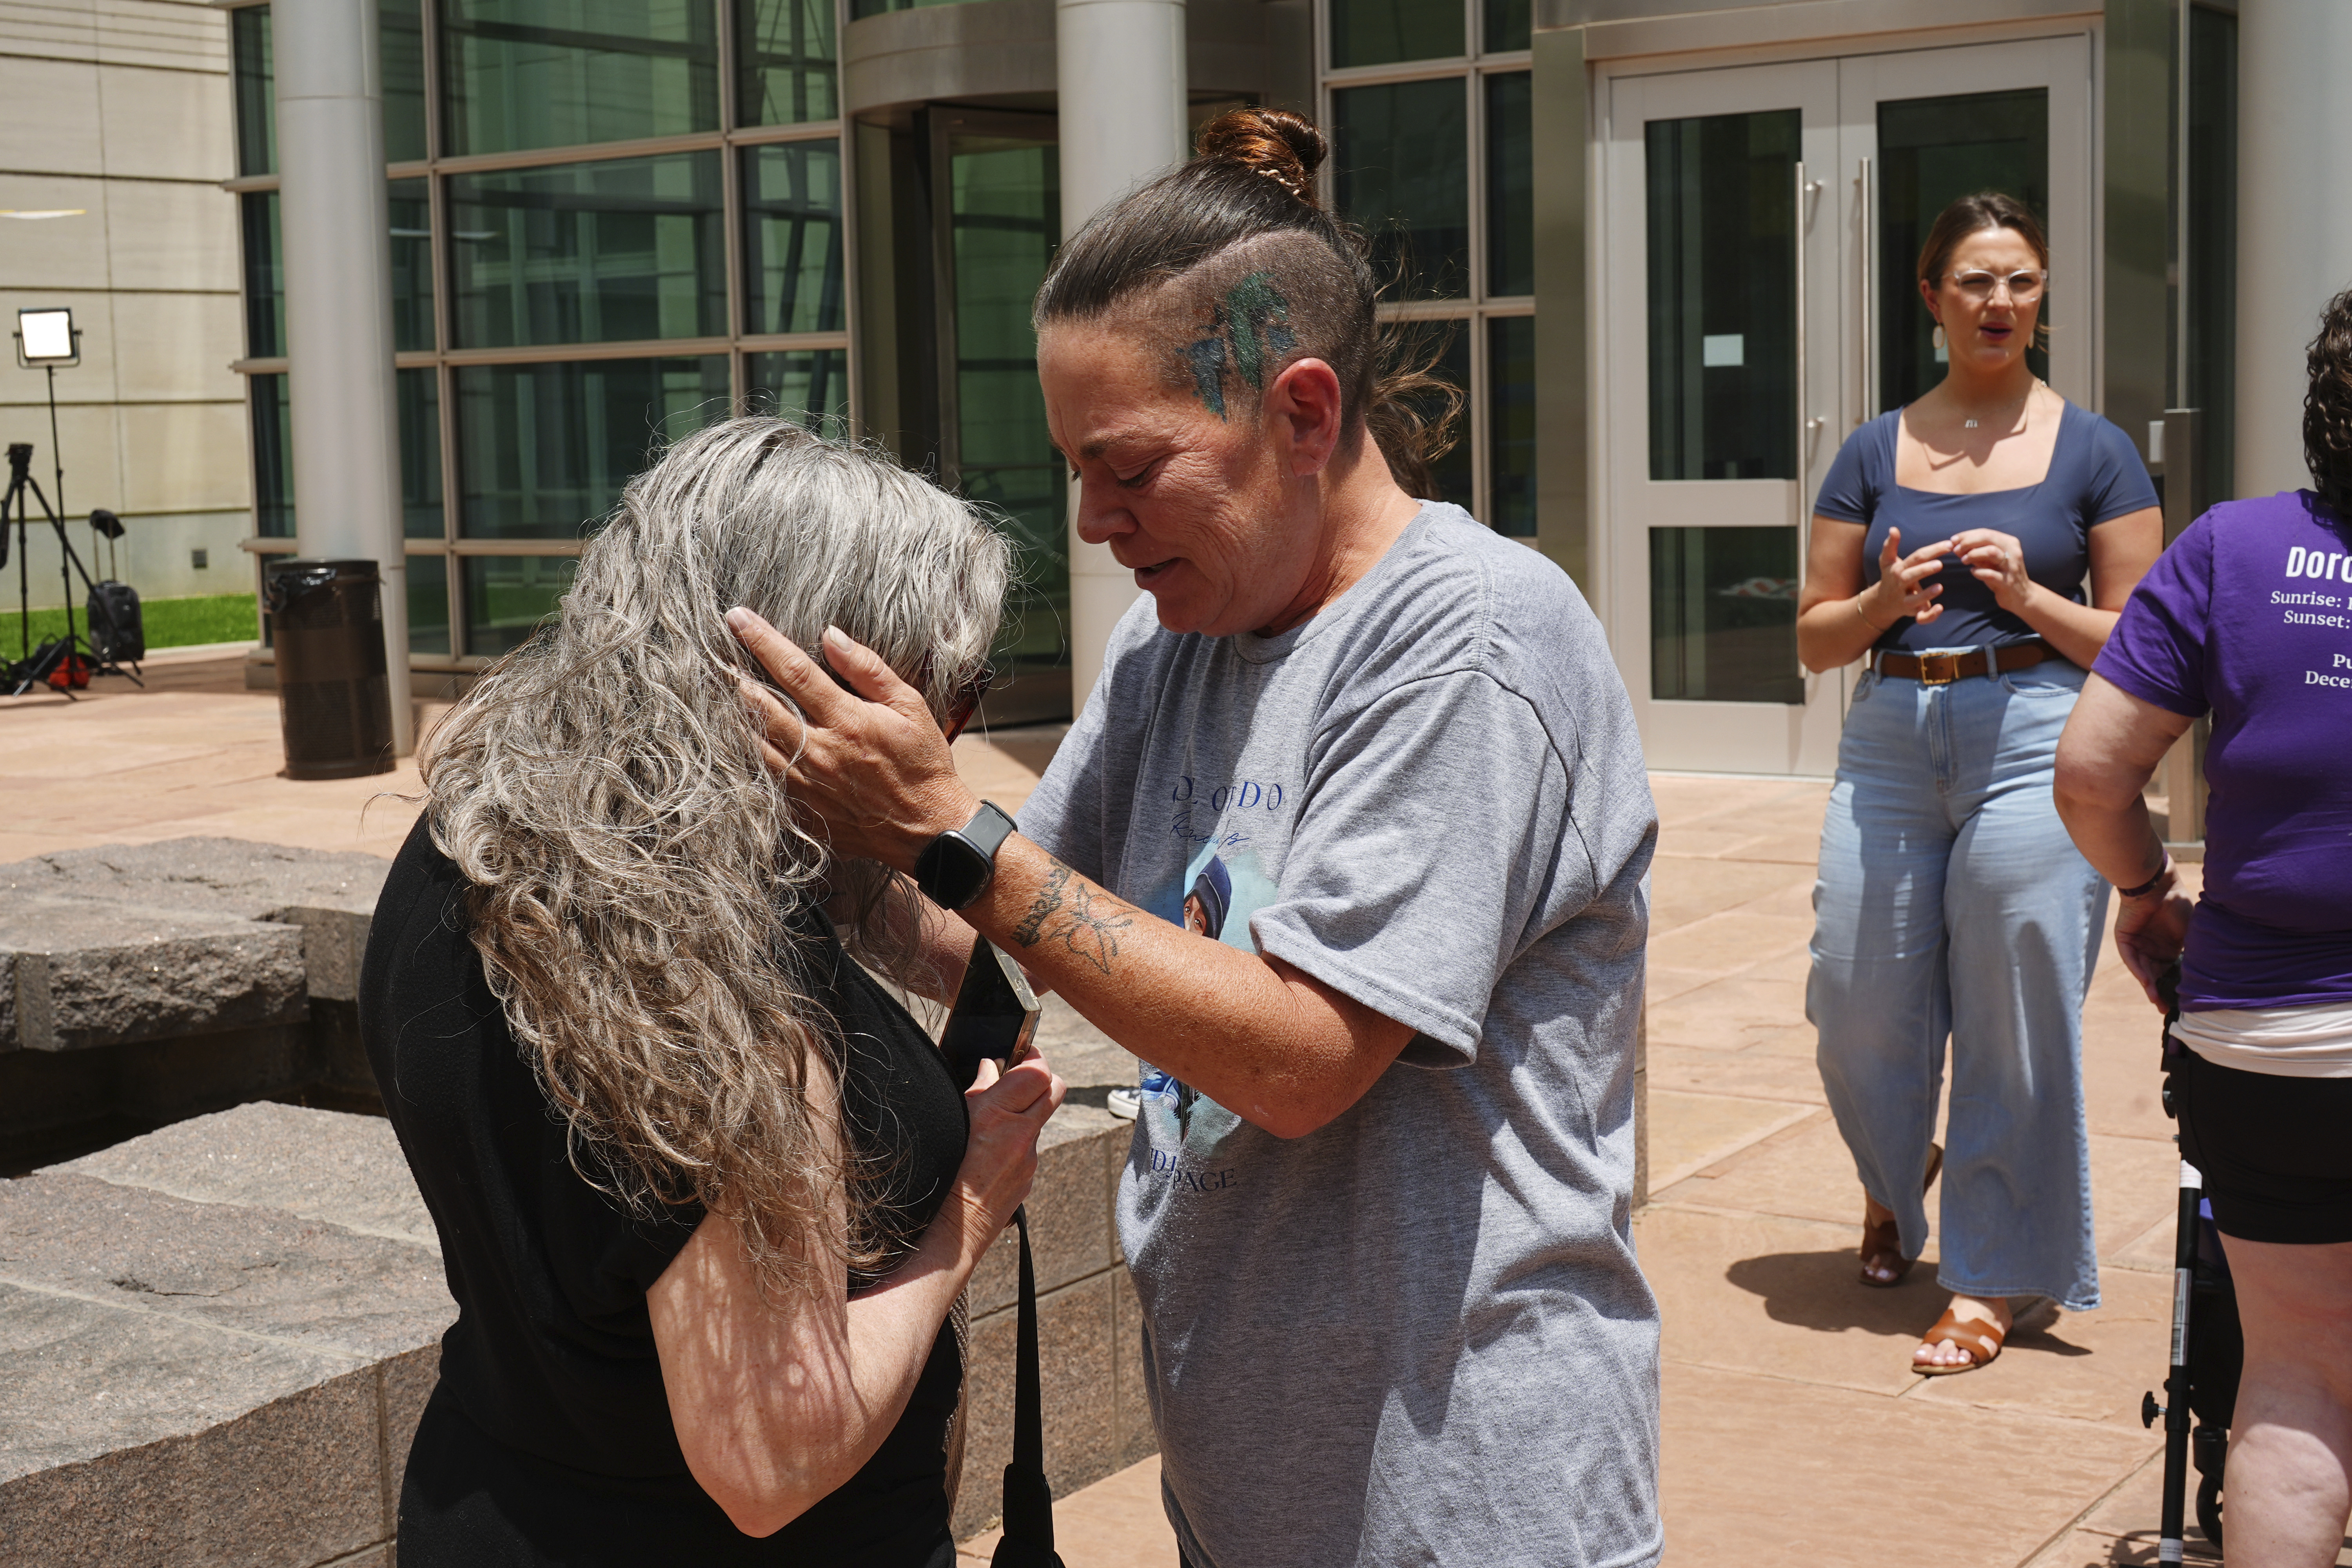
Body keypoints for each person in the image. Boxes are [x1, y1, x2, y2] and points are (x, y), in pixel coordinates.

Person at [727, 108, 1661, 1568]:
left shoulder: (1469, 645)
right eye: (1074, 470)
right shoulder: (1185, 646)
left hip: (1465, 1499)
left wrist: (941, 830)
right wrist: (813, 819)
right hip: (1255, 1490)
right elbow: (1000, 923)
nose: (1091, 520)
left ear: (1300, 412)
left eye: (1130, 467)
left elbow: (1299, 1060)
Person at [359, 419, 1066, 1566]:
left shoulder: (480, 842)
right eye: (947, 698)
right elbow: (770, 1462)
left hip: (494, 1500)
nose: (945, 740)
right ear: (812, 686)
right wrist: (976, 1200)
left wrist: (955, 900)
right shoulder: (737, 1019)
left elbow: (788, 870)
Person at [1794, 191, 2162, 1374]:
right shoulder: (1871, 448)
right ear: (1932, 297)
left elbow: (2144, 643)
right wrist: (1884, 606)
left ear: (2042, 298)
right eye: (1976, 281)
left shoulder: (2097, 450)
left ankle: (1995, 1277)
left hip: (2038, 727)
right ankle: (1896, 1182)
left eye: (2021, 282)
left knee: (2015, 1005)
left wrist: (2028, 599)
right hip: (1897, 728)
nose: (1999, 302)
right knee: (1856, 1000)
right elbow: (1813, 638)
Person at [2053, 286, 2352, 1568]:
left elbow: (2090, 776)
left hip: (2272, 1041)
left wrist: (2141, 895)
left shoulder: (2238, 552)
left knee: (2296, 1378)